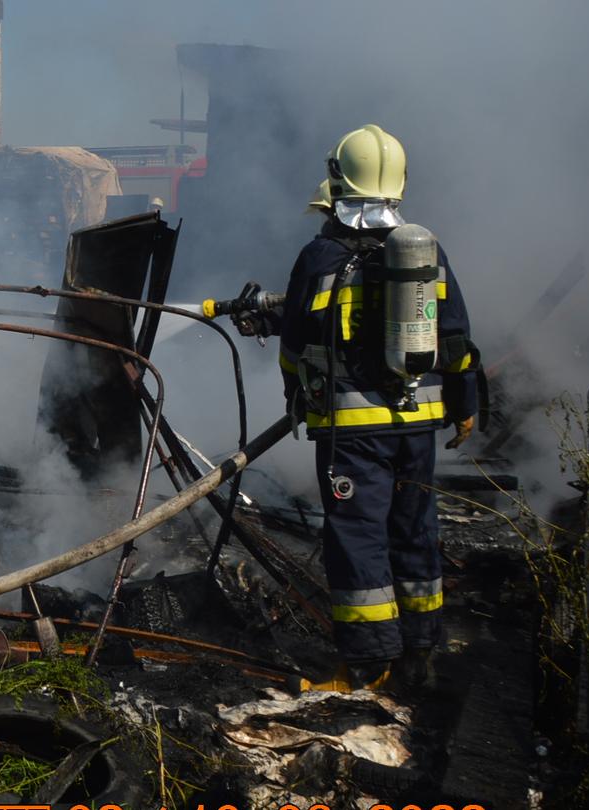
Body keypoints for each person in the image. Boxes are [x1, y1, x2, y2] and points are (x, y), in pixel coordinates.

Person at [238, 124, 481, 693]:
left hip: (352, 432)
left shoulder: (321, 254)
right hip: (416, 426)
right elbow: (457, 338)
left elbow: (296, 344)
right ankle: (421, 652)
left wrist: (298, 396)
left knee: (357, 538)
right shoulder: (425, 251)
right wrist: (463, 404)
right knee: (415, 529)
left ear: (336, 179)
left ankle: (366, 667)